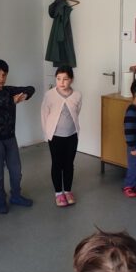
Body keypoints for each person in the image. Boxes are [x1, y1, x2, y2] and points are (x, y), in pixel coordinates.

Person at [0, 58, 35, 214]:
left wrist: (25, 95)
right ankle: (0, 200)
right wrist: (12, 101)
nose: (1, 79)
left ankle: (16, 196)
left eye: (4, 75)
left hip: (10, 138)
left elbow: (30, 88)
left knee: (16, 170)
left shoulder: (8, 90)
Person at [40, 66, 83, 207]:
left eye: (65, 79)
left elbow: (77, 111)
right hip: (55, 136)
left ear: (71, 80)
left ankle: (68, 191)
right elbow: (44, 114)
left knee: (69, 164)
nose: (61, 82)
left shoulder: (77, 95)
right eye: (58, 79)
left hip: (72, 135)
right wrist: (47, 133)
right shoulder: (49, 95)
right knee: (57, 163)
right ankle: (58, 192)